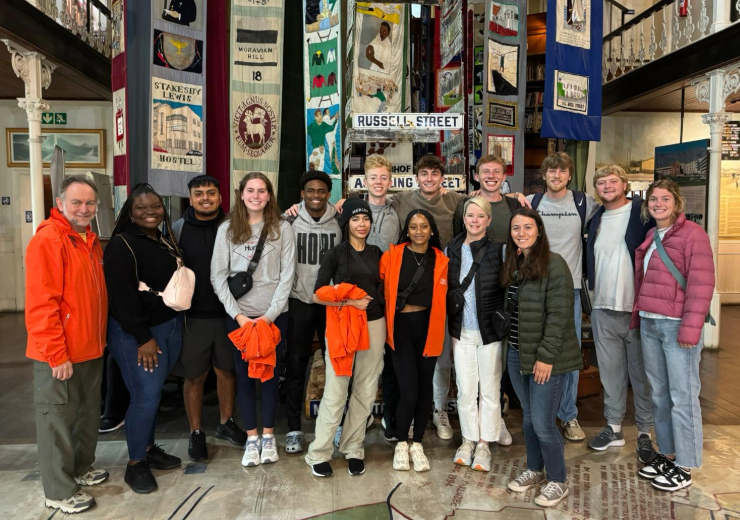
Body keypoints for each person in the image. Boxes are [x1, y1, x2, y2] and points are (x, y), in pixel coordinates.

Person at [25, 175, 108, 514]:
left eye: (89, 203)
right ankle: (58, 490)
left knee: (86, 416)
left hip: (90, 349)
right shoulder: (49, 239)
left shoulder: (87, 240)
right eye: (76, 202)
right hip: (59, 354)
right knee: (57, 421)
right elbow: (42, 303)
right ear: (60, 203)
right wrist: (56, 353)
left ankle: (80, 469)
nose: (84, 209)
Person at [632, 179, 715, 492]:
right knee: (660, 394)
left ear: (677, 203)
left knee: (683, 397)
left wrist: (691, 328)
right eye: (653, 199)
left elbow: (701, 284)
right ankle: (667, 454)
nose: (658, 204)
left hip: (677, 326)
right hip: (651, 322)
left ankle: (686, 464)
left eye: (665, 199)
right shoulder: (653, 234)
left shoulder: (693, 235)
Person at [211, 172, 295, 467]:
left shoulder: (282, 229)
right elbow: (218, 277)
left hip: (273, 318)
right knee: (244, 378)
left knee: (270, 377)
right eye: (250, 190)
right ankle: (251, 438)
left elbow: (288, 275)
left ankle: (269, 437)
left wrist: (270, 316)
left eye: (262, 191)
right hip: (240, 319)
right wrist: (239, 316)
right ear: (241, 194)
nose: (256, 195)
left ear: (269, 195)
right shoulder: (226, 230)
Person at [105, 183, 184, 494]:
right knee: (145, 397)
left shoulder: (163, 239)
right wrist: (142, 337)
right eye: (142, 208)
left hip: (168, 326)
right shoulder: (122, 245)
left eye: (155, 206)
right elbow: (121, 299)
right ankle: (136, 463)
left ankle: (149, 449)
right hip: (137, 335)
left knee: (152, 397)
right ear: (131, 213)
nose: (150, 212)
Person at [503, 208, 582, 508]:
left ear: (539, 229)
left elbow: (560, 315)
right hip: (516, 353)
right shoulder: (515, 262)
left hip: (545, 357)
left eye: (527, 227)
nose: (521, 233)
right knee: (529, 418)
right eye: (515, 228)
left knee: (544, 423)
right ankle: (535, 469)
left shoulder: (555, 263)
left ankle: (557, 480)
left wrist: (546, 357)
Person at [305, 199, 385, 478]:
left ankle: (353, 448)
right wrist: (351, 303)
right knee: (336, 392)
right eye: (355, 219)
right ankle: (319, 452)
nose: (361, 224)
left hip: (375, 324)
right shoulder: (335, 254)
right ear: (346, 223)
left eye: (365, 219)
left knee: (365, 389)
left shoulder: (378, 253)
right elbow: (316, 295)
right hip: (342, 326)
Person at [170, 175, 247, 463]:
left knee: (226, 371)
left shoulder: (233, 227)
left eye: (211, 193)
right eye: (199, 193)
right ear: (190, 198)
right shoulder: (177, 230)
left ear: (220, 196)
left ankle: (226, 423)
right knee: (195, 376)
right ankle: (196, 432)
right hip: (194, 316)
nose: (205, 198)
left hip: (229, 313)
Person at [585, 165, 656, 462]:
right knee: (611, 374)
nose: (607, 186)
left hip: (636, 308)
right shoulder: (596, 218)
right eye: (601, 182)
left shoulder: (642, 213)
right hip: (603, 307)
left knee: (641, 374)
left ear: (625, 184)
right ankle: (613, 428)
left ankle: (645, 432)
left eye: (613, 181)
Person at [527, 152, 598, 442]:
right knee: (535, 351)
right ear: (543, 176)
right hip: (535, 287)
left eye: (562, 171)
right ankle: (539, 415)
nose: (556, 175)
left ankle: (569, 416)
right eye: (551, 171)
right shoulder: (532, 203)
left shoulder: (584, 203)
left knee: (568, 356)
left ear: (569, 175)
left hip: (571, 290)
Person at [380, 210, 448, 472]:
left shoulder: (441, 260)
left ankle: (417, 442)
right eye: (413, 227)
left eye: (424, 226)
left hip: (428, 330)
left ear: (431, 230)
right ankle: (400, 442)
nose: (419, 231)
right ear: (406, 231)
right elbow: (381, 288)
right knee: (408, 389)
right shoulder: (393, 255)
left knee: (423, 391)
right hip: (399, 331)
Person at [447, 197, 508, 472]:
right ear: (464, 218)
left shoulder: (500, 251)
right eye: (470, 215)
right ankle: (468, 439)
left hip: (489, 332)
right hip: (462, 331)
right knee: (465, 390)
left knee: (490, 390)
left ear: (488, 220)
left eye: (480, 216)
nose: (474, 220)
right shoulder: (451, 249)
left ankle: (484, 443)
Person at [283, 171, 341, 454]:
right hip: (300, 301)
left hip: (331, 304)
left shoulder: (340, 219)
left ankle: (336, 423)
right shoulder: (290, 220)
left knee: (336, 366)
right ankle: (294, 428)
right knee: (296, 366)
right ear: (302, 193)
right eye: (310, 191)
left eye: (321, 191)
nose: (316, 195)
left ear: (328, 193)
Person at [363, 154, 402, 441]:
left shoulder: (397, 209)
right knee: (362, 362)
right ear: (365, 181)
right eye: (373, 177)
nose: (379, 182)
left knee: (389, 362)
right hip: (359, 297)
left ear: (390, 181)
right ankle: (360, 416)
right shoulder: (351, 209)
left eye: (383, 177)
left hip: (389, 296)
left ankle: (389, 416)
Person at [452, 155, 520, 242]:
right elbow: (457, 243)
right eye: (485, 171)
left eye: (497, 171)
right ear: (476, 177)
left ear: (504, 177)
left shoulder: (515, 206)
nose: (491, 176)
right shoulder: (464, 206)